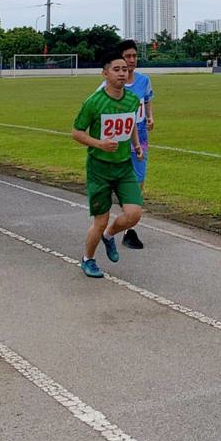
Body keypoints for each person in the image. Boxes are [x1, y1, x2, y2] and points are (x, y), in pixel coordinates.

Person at [71, 51, 144, 278]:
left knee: (134, 214)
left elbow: (130, 123)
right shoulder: (93, 102)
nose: (122, 73)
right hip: (99, 168)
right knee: (100, 220)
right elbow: (76, 133)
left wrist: (136, 144)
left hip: (123, 166)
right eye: (117, 69)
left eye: (125, 69)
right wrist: (99, 144)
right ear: (105, 73)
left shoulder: (132, 99)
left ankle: (110, 236)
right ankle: (88, 259)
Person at [117, 39, 155, 250]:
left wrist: (150, 117)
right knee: (122, 185)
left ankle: (128, 229)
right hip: (119, 144)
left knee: (138, 185)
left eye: (134, 56)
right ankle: (119, 226)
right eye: (127, 56)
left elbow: (147, 101)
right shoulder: (111, 84)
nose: (131, 60)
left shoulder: (144, 80)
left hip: (140, 141)